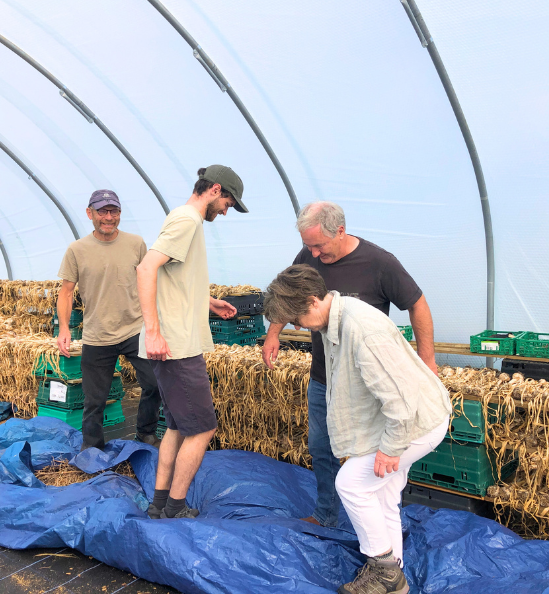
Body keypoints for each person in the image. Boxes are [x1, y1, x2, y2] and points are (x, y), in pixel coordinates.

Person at [264, 265, 451, 594]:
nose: (296, 326)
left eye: (296, 318)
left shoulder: (363, 331)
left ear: (312, 301)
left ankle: (384, 571)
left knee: (350, 483)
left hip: (416, 423)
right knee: (383, 494)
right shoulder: (335, 320)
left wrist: (391, 448)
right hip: (399, 419)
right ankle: (392, 575)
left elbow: (401, 400)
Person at [261, 201, 436, 528]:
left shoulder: (379, 263)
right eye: (308, 246)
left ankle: (383, 522)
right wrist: (273, 334)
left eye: (319, 246)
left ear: (340, 231)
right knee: (321, 447)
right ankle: (326, 514)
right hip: (323, 376)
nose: (313, 254)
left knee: (372, 456)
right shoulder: (308, 256)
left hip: (364, 384)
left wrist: (427, 360)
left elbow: (417, 304)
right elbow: (288, 295)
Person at [136, 165, 246, 520]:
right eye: (228, 202)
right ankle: (176, 507)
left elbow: (173, 277)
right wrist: (153, 331)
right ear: (215, 190)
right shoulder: (187, 220)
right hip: (177, 346)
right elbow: (146, 268)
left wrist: (207, 301)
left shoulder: (185, 220)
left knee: (177, 426)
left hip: (174, 342)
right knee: (203, 428)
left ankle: (160, 504)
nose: (226, 211)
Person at [57, 189, 162, 450]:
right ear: (89, 213)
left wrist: (156, 324)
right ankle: (92, 447)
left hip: (134, 329)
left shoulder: (135, 243)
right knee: (95, 400)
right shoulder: (77, 250)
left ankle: (146, 433)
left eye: (113, 211)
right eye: (102, 211)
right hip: (98, 334)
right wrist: (63, 329)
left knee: (155, 384)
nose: (108, 217)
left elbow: (151, 280)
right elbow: (66, 292)